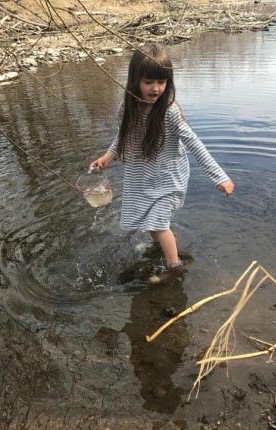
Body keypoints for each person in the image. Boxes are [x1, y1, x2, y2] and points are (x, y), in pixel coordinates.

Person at [89, 43, 234, 273]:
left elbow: (195, 144)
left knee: (157, 221)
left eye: (162, 82)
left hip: (169, 179)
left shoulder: (170, 112)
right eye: (149, 82)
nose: (156, 88)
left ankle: (174, 267)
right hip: (143, 177)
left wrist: (219, 177)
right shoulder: (126, 109)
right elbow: (123, 136)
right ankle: (159, 248)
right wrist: (108, 157)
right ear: (135, 80)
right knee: (150, 219)